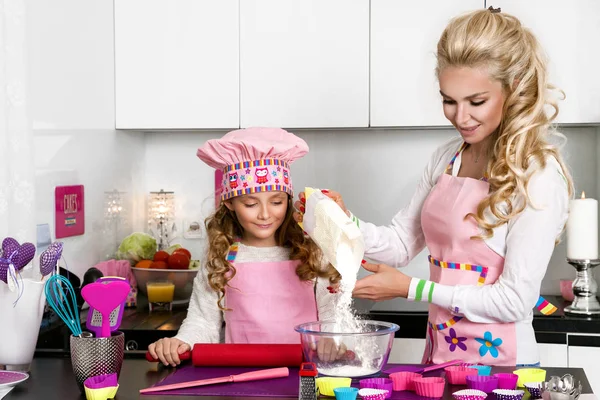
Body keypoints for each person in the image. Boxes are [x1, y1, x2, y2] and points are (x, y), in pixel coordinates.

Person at [297, 7, 573, 366]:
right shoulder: (448, 158)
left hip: (504, 367)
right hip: (440, 357)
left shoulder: (537, 174)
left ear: (514, 87)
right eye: (448, 101)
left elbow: (514, 301)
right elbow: (398, 244)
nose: (460, 117)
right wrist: (340, 220)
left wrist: (411, 288)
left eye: (477, 102)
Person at [149, 127, 341, 367]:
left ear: (288, 200)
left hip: (305, 373)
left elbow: (332, 312)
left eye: (277, 202)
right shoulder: (221, 256)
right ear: (229, 202)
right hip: (239, 375)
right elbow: (202, 323)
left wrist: (331, 338)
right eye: (250, 204)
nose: (265, 214)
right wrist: (181, 341)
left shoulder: (311, 250)